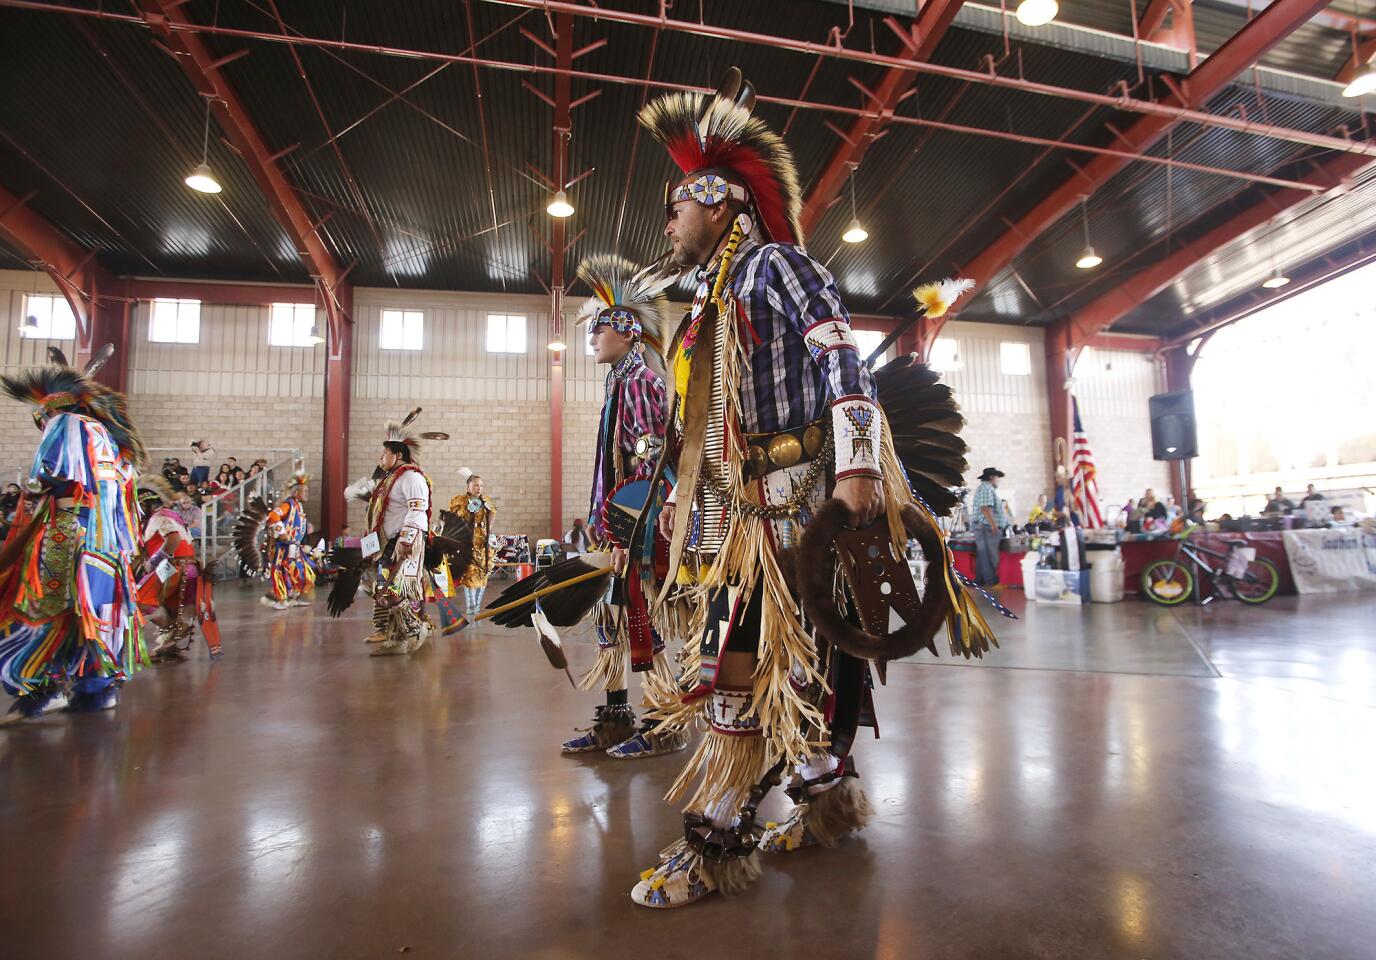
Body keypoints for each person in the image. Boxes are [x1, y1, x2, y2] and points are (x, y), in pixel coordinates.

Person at [629, 74, 998, 908]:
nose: (668, 221)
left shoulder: (777, 266)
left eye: (676, 204)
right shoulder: (711, 296)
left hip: (803, 501)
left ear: (719, 200)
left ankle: (718, 838)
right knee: (811, 661)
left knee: (742, 665)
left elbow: (844, 361)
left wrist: (861, 466)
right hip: (747, 505)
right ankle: (828, 799)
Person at [557, 253, 685, 760]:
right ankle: (615, 719)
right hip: (618, 528)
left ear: (628, 331)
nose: (591, 338)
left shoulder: (642, 384)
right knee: (612, 619)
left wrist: (630, 530)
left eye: (600, 330)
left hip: (642, 530)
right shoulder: (618, 385)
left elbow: (656, 468)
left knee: (643, 618)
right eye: (591, 331)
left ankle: (662, 722)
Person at [0, 346, 146, 723]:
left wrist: (41, 520)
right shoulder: (114, 444)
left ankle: (42, 686)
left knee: (47, 608)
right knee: (99, 617)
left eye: (42, 416)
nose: (43, 423)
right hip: (110, 550)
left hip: (72, 538)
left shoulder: (67, 426)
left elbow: (57, 478)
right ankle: (97, 689)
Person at [355, 411, 446, 656]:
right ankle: (396, 639)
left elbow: (417, 511)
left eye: (384, 453)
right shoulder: (389, 480)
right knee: (381, 593)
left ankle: (416, 629)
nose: (380, 457)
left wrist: (406, 541)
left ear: (397, 455)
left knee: (395, 592)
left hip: (403, 544)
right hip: (386, 544)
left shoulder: (411, 477)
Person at [135, 478, 222, 662]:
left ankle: (169, 636)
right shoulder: (173, 515)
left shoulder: (160, 517)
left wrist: (153, 562)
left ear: (148, 504)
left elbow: (173, 540)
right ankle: (169, 647)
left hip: (172, 567)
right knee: (174, 610)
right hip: (189, 568)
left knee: (140, 600)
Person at [450, 470, 496, 619]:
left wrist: (487, 530)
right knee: (469, 574)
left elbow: (493, 513)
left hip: (482, 542)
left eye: (481, 486)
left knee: (483, 574)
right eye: (476, 485)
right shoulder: (459, 500)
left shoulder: (486, 500)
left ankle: (477, 606)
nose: (479, 488)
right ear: (468, 486)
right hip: (466, 542)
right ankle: (470, 608)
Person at [971, 467, 1006, 587]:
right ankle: (991, 581)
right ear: (991, 477)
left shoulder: (985, 488)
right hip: (986, 526)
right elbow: (985, 508)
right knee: (990, 555)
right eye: (997, 477)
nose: (998, 480)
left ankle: (980, 579)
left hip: (983, 526)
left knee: (983, 554)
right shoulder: (986, 488)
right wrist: (993, 524)